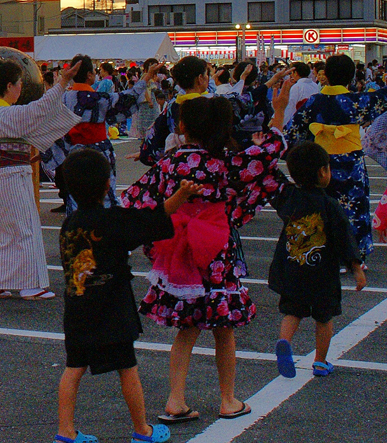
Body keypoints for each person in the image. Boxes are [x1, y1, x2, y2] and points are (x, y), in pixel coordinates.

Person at [121, 80, 291, 422]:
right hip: (216, 249)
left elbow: (134, 199)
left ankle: (175, 399)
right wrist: (280, 113)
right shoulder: (223, 164)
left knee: (186, 328)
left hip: (179, 251)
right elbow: (267, 158)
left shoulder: (169, 164)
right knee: (223, 328)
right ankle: (227, 399)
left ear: (181, 127)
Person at [54, 148, 200, 443]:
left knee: (74, 368)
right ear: (107, 184)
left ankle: (65, 432)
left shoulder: (69, 224)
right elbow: (156, 216)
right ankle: (142, 429)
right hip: (112, 308)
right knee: (127, 368)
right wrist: (182, 194)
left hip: (78, 308)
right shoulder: (115, 220)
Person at [0, 59, 81, 301]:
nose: (21, 89)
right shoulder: (6, 113)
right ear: (9, 85)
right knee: (25, 229)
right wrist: (63, 82)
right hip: (11, 179)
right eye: (19, 84)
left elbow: (18, 131)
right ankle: (30, 285)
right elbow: (39, 110)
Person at [270, 142, 368, 379]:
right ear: (323, 172)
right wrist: (356, 268)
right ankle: (320, 362)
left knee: (292, 311)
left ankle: (284, 342)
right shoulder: (329, 204)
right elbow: (344, 238)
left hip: (293, 267)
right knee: (324, 317)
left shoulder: (289, 197)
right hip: (323, 273)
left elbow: (273, 177)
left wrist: (264, 152)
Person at [288, 53, 387, 260]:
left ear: (326, 75)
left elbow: (294, 132)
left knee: (322, 206)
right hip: (351, 163)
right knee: (354, 208)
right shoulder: (357, 101)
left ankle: (324, 250)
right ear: (351, 77)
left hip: (321, 163)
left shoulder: (314, 102)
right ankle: (354, 254)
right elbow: (383, 98)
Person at [40, 56, 123, 212]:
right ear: (90, 75)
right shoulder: (101, 99)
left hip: (74, 153)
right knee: (104, 194)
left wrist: (45, 148)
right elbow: (127, 99)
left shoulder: (63, 98)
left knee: (76, 195)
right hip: (100, 152)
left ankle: (77, 228)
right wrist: (144, 79)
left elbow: (51, 123)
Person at [283, 61, 320, 130]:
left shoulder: (297, 87)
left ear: (296, 73)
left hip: (299, 120)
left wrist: (284, 123)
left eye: (292, 73)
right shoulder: (315, 85)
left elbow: (291, 106)